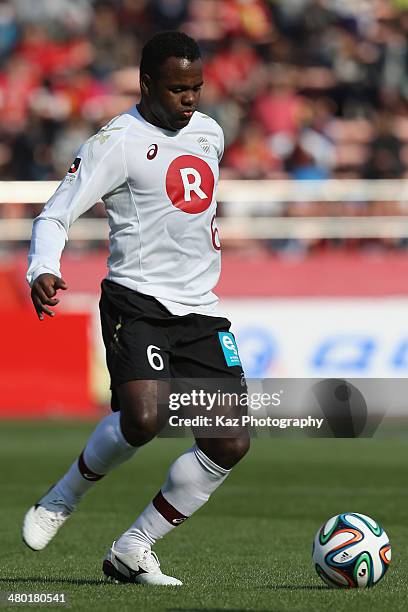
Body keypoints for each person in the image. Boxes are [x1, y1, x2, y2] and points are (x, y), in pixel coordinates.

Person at [23, 31, 249, 586]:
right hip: (137, 299)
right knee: (144, 419)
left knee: (229, 441)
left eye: (196, 87)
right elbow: (55, 213)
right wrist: (42, 268)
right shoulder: (117, 141)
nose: (190, 98)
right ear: (147, 84)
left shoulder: (210, 133)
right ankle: (61, 498)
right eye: (177, 88)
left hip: (200, 311)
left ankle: (135, 546)